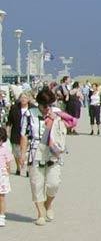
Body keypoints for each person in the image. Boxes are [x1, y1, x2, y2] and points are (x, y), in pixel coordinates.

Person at [31, 88, 67, 226]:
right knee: (37, 183)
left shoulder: (57, 114)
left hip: (53, 152)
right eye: (44, 105)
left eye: (50, 105)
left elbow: (67, 126)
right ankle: (40, 214)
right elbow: (24, 134)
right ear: (38, 104)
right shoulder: (31, 114)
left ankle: (48, 204)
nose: (47, 108)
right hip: (35, 152)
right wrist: (22, 154)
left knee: (54, 183)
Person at [6, 92, 32, 176]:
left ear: (28, 99)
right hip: (16, 133)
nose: (23, 99)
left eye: (25, 97)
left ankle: (28, 169)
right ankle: (18, 168)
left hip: (29, 133)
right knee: (16, 153)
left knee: (28, 153)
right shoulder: (14, 108)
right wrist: (7, 131)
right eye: (22, 97)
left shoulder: (32, 109)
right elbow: (9, 121)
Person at [0, 127, 12, 226]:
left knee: (1, 197)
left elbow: (8, 162)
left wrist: (7, 173)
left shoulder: (5, 149)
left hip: (2, 175)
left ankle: (2, 216)